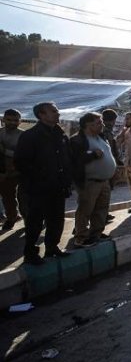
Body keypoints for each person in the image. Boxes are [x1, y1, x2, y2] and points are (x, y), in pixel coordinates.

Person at [14, 102, 73, 264]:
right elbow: (21, 163)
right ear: (42, 115)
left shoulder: (60, 135)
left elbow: (66, 159)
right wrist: (40, 178)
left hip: (58, 187)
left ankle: (52, 247)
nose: (58, 113)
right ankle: (31, 254)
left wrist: (67, 180)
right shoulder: (30, 136)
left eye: (57, 111)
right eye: (53, 111)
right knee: (35, 222)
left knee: (56, 219)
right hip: (38, 188)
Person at [69, 112, 117, 247]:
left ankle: (96, 234)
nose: (102, 125)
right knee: (85, 210)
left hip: (104, 181)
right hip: (89, 182)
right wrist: (92, 155)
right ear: (87, 125)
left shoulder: (100, 137)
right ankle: (81, 237)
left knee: (101, 209)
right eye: (98, 123)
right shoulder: (77, 140)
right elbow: (75, 160)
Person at [0, 108, 27, 230]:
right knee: (8, 196)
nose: (12, 122)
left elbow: (23, 154)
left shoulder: (23, 135)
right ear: (3, 119)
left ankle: (28, 219)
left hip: (20, 170)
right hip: (3, 170)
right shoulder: (0, 133)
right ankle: (11, 217)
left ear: (20, 121)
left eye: (15, 120)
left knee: (23, 197)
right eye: (9, 120)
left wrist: (5, 151)